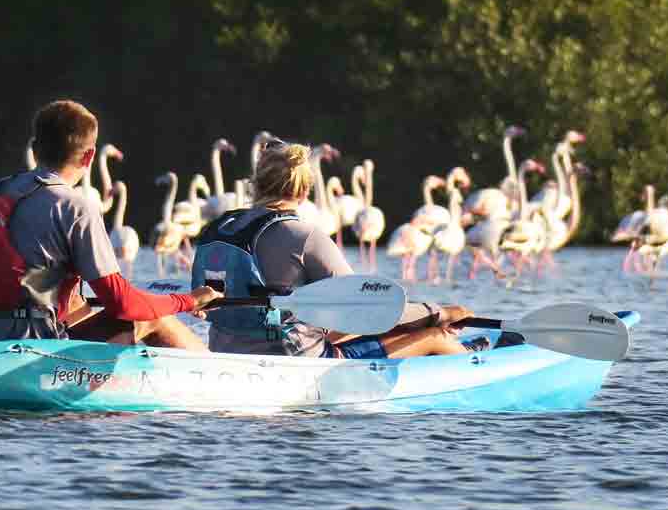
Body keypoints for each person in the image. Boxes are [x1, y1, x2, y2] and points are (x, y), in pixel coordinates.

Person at [0, 99, 220, 348]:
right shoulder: (75, 206)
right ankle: (216, 378)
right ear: (89, 157)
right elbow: (122, 303)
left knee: (78, 305)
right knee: (154, 318)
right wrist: (189, 300)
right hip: (30, 346)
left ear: (35, 149)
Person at [192, 140, 474, 359]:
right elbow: (366, 306)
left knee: (372, 326)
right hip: (296, 362)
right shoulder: (304, 236)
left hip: (227, 353)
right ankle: (472, 365)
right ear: (305, 192)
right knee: (437, 335)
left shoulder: (220, 227)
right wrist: (439, 313)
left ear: (256, 186)